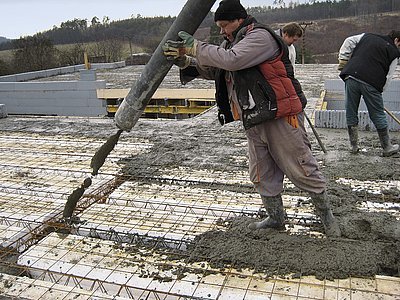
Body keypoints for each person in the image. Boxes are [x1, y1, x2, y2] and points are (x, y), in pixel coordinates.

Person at [163, 0, 340, 237]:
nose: (222, 31)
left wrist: (196, 46)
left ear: (239, 20)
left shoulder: (260, 37)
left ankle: (327, 219)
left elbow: (232, 60)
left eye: (225, 25)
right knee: (261, 172)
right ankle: (276, 218)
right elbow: (219, 70)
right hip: (254, 116)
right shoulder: (233, 42)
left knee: (302, 168)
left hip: (280, 115)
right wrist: (188, 61)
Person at [338, 30, 400, 156]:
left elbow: (348, 41)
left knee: (351, 111)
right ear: (397, 40)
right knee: (377, 114)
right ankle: (387, 147)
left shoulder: (367, 36)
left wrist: (343, 60)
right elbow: (388, 76)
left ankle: (353, 147)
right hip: (372, 82)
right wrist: (379, 91)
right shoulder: (394, 53)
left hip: (351, 76)